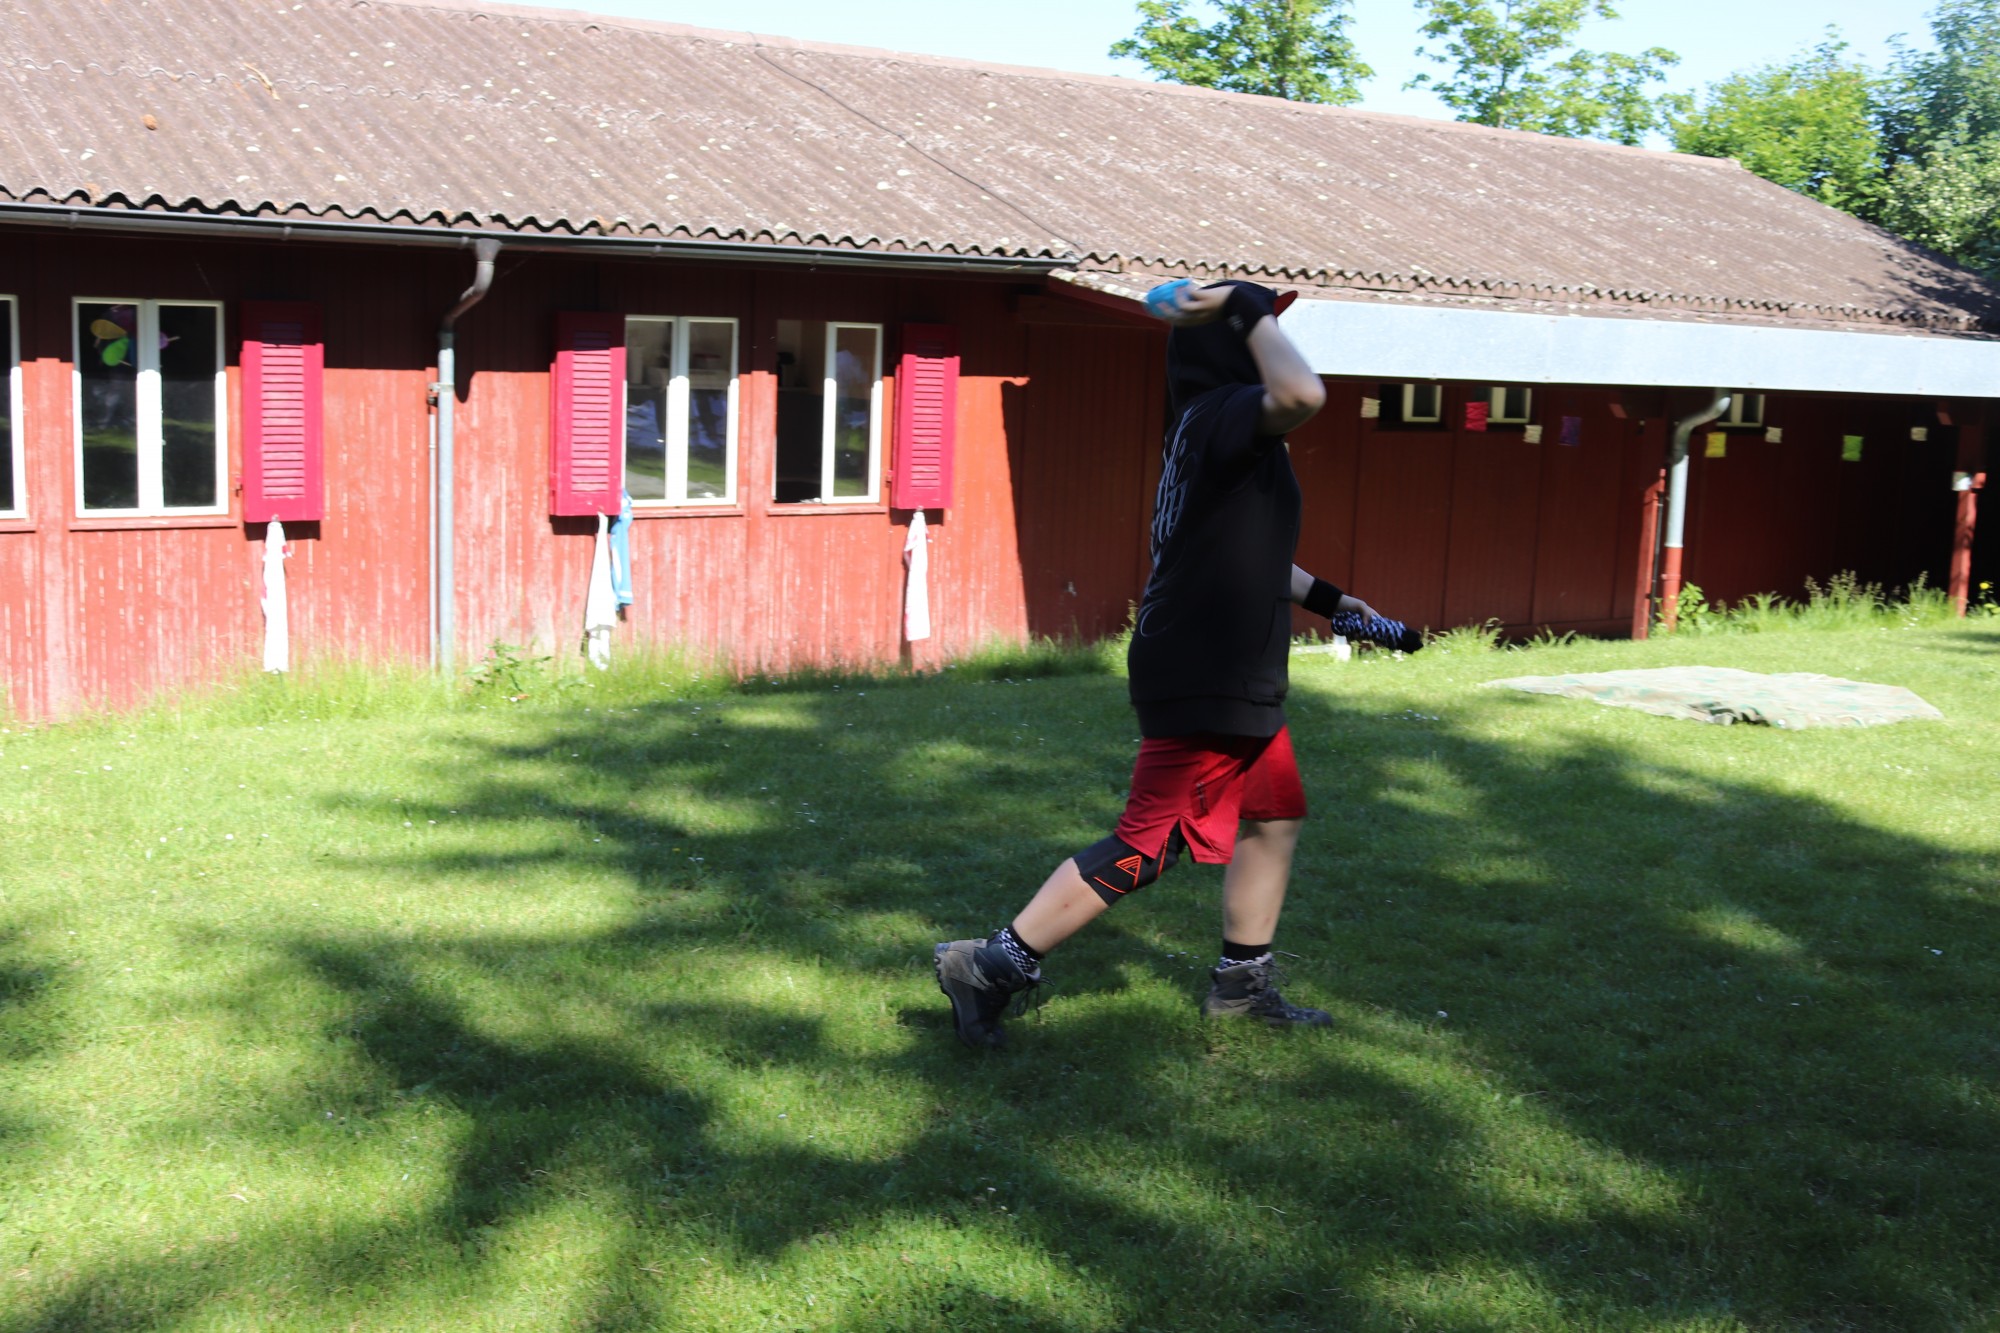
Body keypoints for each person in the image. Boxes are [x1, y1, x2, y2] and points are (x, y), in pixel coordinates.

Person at [934, 279, 1408, 1048]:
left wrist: (1336, 602)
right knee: (1149, 839)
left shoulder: (1207, 426)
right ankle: (989, 966)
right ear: (1233, 345)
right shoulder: (1227, 415)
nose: (1273, 340)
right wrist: (1246, 304)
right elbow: (1303, 392)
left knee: (1273, 815)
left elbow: (1250, 552)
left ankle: (1241, 986)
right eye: (1261, 330)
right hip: (1208, 667)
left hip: (1221, 662)